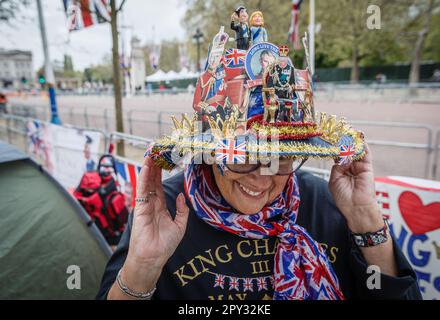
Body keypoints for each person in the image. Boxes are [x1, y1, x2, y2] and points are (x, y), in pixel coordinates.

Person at [97, 34, 421, 301]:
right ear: (211, 153)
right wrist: (142, 267)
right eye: (243, 156)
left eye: (281, 157)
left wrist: (365, 218)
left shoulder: (326, 202)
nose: (263, 175)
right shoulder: (166, 209)